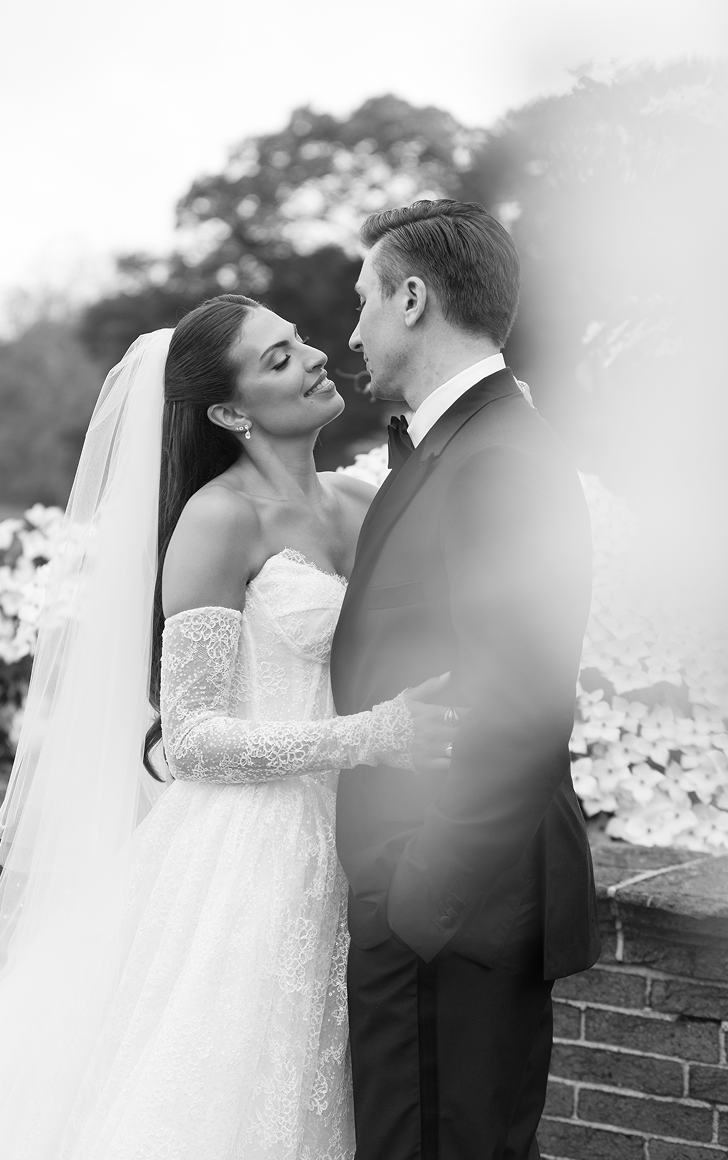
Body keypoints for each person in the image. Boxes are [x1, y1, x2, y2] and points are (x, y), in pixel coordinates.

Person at [0, 296, 455, 1159]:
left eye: (300, 341)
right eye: (277, 359)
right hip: (255, 858)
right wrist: (365, 737)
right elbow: (194, 736)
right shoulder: (216, 519)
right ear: (231, 413)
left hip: (371, 846)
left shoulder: (363, 500)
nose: (315, 357)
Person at [331, 200, 601, 1160]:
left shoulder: (503, 460)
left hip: (450, 912)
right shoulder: (452, 446)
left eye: (363, 299)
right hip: (426, 912)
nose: (351, 328)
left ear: (414, 299)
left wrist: (420, 895)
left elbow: (522, 702)